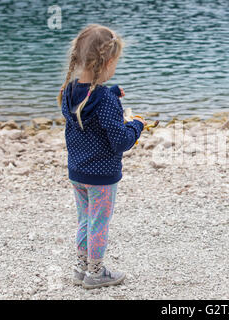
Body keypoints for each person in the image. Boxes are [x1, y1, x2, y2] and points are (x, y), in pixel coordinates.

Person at [58, 24, 146, 289]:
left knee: (85, 219)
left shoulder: (70, 90)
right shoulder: (105, 100)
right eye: (116, 63)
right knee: (99, 223)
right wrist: (137, 125)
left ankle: (81, 267)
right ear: (107, 62)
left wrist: (112, 91)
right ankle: (95, 274)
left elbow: (92, 101)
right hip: (102, 177)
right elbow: (120, 141)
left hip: (78, 172)